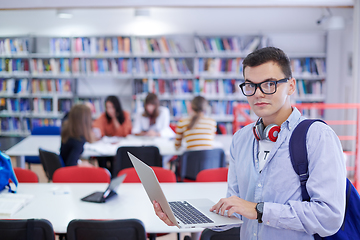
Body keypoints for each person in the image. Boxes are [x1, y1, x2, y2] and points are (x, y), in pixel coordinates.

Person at [153, 47, 346, 239]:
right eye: (250, 85)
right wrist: (188, 218)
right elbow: (238, 210)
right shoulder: (241, 139)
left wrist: (260, 211)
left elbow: (329, 217)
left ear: (291, 86)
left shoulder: (318, 136)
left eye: (269, 84)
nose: (258, 94)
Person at [93, 95, 132, 171]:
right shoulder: (103, 117)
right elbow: (98, 131)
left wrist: (114, 118)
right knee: (101, 158)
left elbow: (124, 133)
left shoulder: (125, 115)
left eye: (112, 107)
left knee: (118, 161)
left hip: (120, 147)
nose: (109, 110)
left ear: (117, 107)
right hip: (107, 147)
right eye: (107, 108)